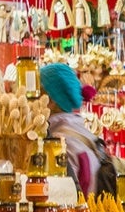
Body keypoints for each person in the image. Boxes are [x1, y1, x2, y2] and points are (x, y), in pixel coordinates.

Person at [39, 62, 117, 198]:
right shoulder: (81, 131)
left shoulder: (59, 142)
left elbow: (60, 197)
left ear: (50, 100)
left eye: (37, 94)